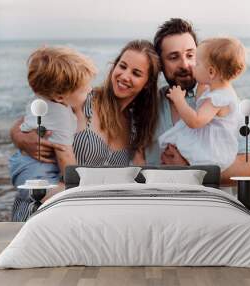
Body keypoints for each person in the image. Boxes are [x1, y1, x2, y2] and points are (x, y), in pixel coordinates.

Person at [9, 40, 160, 221]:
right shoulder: (82, 98)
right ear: (114, 66)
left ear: (147, 83)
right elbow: (37, 112)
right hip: (41, 211)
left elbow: (137, 180)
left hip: (83, 220)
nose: (125, 76)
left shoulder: (136, 127)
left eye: (136, 73)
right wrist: (17, 134)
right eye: (123, 66)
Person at [141, 18, 250, 185]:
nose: (186, 64)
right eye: (174, 57)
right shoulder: (148, 105)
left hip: (206, 206)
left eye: (191, 55)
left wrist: (189, 172)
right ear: (160, 64)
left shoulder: (220, 103)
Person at [9, 46, 97, 189]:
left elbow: (25, 121)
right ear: (59, 96)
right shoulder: (59, 116)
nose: (90, 89)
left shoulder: (42, 98)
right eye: (84, 89)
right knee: (59, 196)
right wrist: (76, 186)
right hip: (37, 170)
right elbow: (65, 155)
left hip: (22, 161)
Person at [159, 37, 246, 171]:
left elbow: (195, 121)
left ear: (211, 72)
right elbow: (200, 102)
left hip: (211, 152)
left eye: (197, 63)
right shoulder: (218, 91)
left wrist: (179, 101)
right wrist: (202, 81)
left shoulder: (218, 99)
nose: (191, 66)